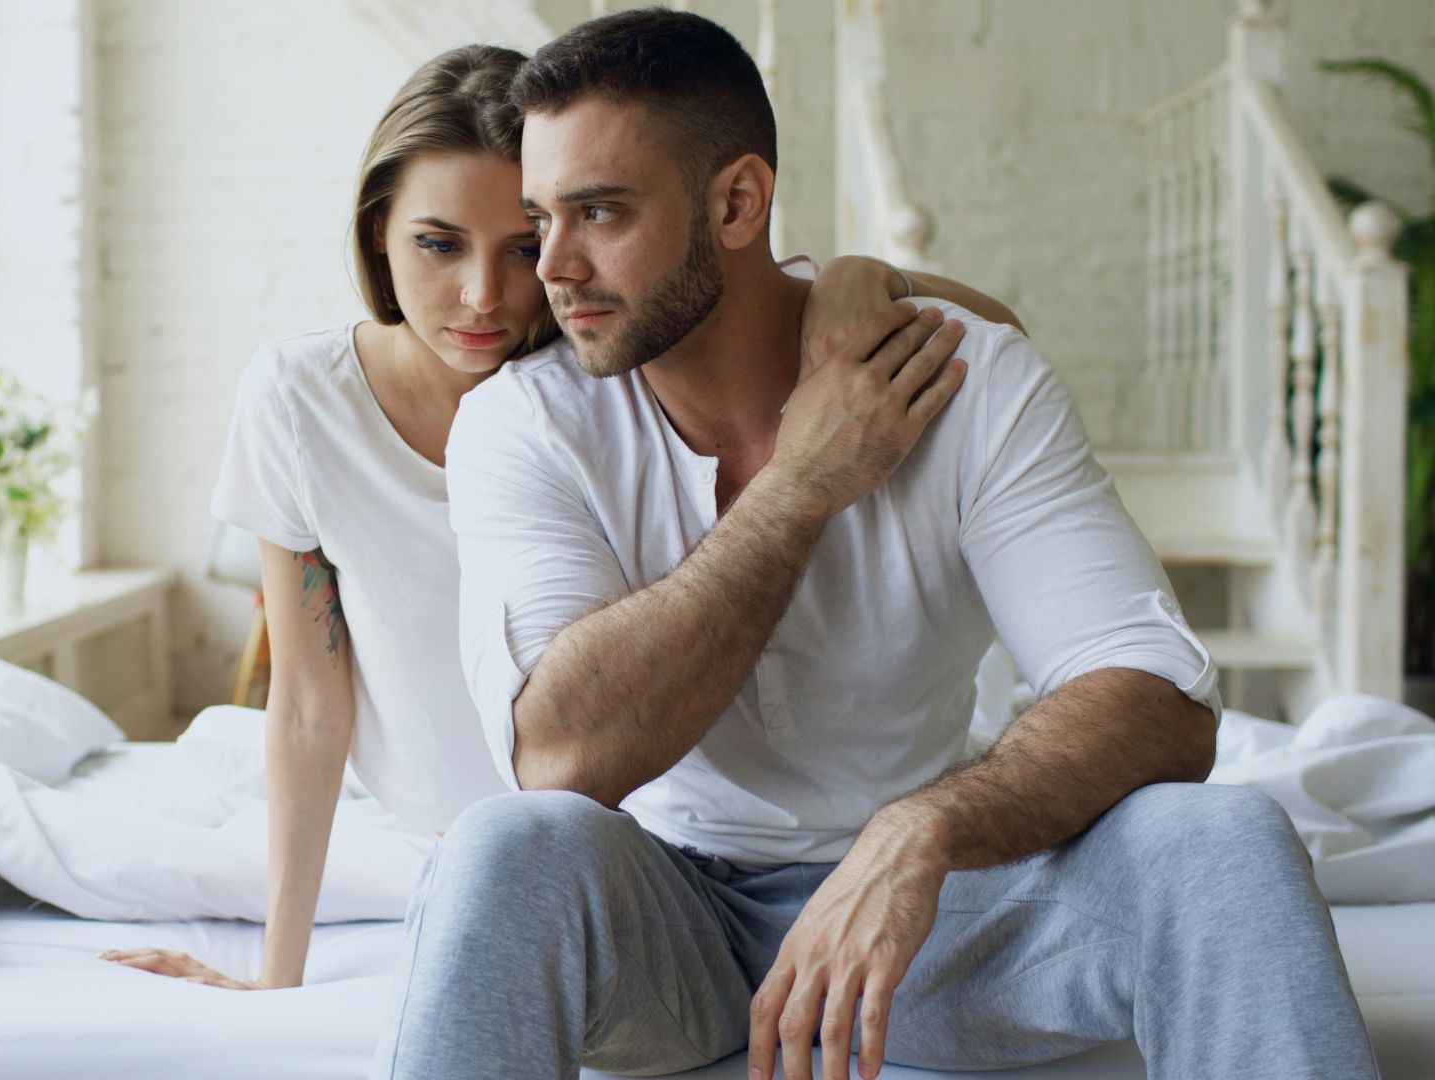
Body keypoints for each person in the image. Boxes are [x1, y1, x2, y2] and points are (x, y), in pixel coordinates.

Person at [371, 11, 1379, 1080]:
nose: (553, 267)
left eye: (600, 213)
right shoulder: (524, 424)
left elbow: (1157, 697)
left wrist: (921, 835)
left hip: (944, 924)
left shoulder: (964, 382)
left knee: (1224, 842)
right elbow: (564, 759)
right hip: (678, 923)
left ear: (737, 201)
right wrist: (804, 485)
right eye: (542, 219)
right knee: (502, 851)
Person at [102, 44, 1019, 995]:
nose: (484, 297)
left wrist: (865, 278)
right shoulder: (300, 400)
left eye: (523, 244)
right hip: (455, 838)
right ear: (378, 232)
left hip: (635, 841)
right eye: (437, 242)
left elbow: (995, 339)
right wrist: (278, 976)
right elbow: (304, 700)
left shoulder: (612, 372)